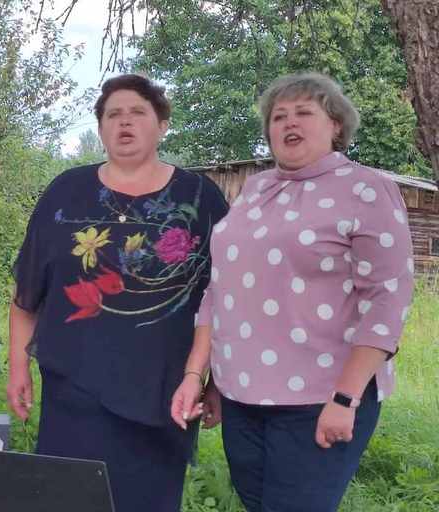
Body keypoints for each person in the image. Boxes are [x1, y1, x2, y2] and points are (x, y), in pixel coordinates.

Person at [171, 72, 415, 511]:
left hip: (321, 397)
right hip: (241, 397)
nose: (289, 123)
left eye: (304, 112)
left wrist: (346, 398)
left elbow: (387, 301)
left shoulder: (367, 189)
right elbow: (221, 290)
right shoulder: (256, 188)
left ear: (336, 124)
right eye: (278, 116)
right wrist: (204, 378)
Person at [7, 73, 228, 511]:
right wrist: (17, 367)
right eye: (113, 115)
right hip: (73, 390)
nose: (124, 122)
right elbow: (27, 290)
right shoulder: (65, 192)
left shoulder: (200, 198)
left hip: (162, 395)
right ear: (101, 127)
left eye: (138, 113)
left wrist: (215, 383)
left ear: (162, 125)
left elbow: (224, 299)